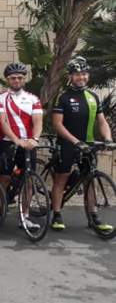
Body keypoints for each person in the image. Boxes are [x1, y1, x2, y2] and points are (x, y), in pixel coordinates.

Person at [50, 56, 114, 232]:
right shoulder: (63, 97)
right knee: (61, 179)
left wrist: (108, 139)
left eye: (84, 74)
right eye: (77, 74)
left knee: (89, 180)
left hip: (88, 145)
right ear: (70, 76)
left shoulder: (92, 97)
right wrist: (75, 141)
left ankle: (93, 217)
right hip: (68, 144)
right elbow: (57, 124)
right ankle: (56, 214)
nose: (82, 77)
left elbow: (101, 121)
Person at [0, 62, 43, 232]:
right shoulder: (0, 98)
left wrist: (35, 138)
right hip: (8, 143)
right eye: (13, 78)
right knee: (4, 178)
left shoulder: (33, 98)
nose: (16, 80)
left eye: (20, 78)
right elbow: (2, 122)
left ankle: (25, 216)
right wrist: (16, 140)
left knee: (28, 180)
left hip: (28, 144)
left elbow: (37, 121)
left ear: (24, 79)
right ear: (7, 79)